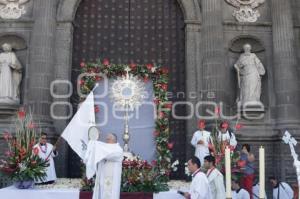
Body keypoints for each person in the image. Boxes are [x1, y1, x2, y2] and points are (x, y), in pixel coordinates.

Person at [84, 133, 123, 199]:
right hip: (102, 179)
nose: (106, 141)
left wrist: (97, 145)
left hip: (112, 181)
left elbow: (108, 155)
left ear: (114, 140)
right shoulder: (104, 150)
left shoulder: (118, 150)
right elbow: (97, 155)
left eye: (108, 139)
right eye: (106, 139)